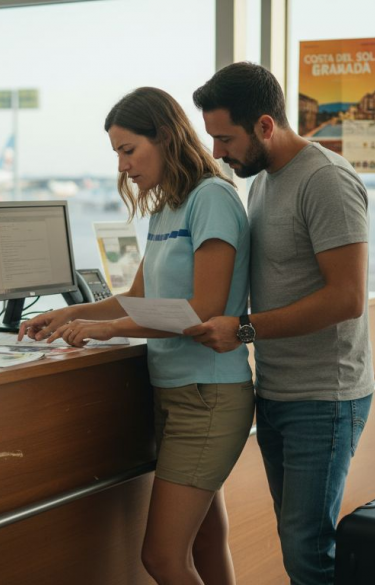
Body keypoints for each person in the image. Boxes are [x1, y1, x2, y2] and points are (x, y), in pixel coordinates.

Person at [18, 87, 253, 585]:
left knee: (162, 558)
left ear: (165, 137)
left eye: (129, 150)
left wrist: (107, 329)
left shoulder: (211, 198)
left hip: (207, 396)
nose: (123, 167)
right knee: (206, 539)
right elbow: (139, 298)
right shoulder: (168, 205)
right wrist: (68, 316)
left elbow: (202, 311)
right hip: (174, 392)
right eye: (117, 155)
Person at [186, 62, 374, 585]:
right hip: (278, 392)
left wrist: (242, 329)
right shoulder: (263, 182)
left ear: (265, 126)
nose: (218, 152)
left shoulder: (326, 182)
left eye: (225, 138)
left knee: (308, 551)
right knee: (300, 543)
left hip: (325, 396)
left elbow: (348, 297)